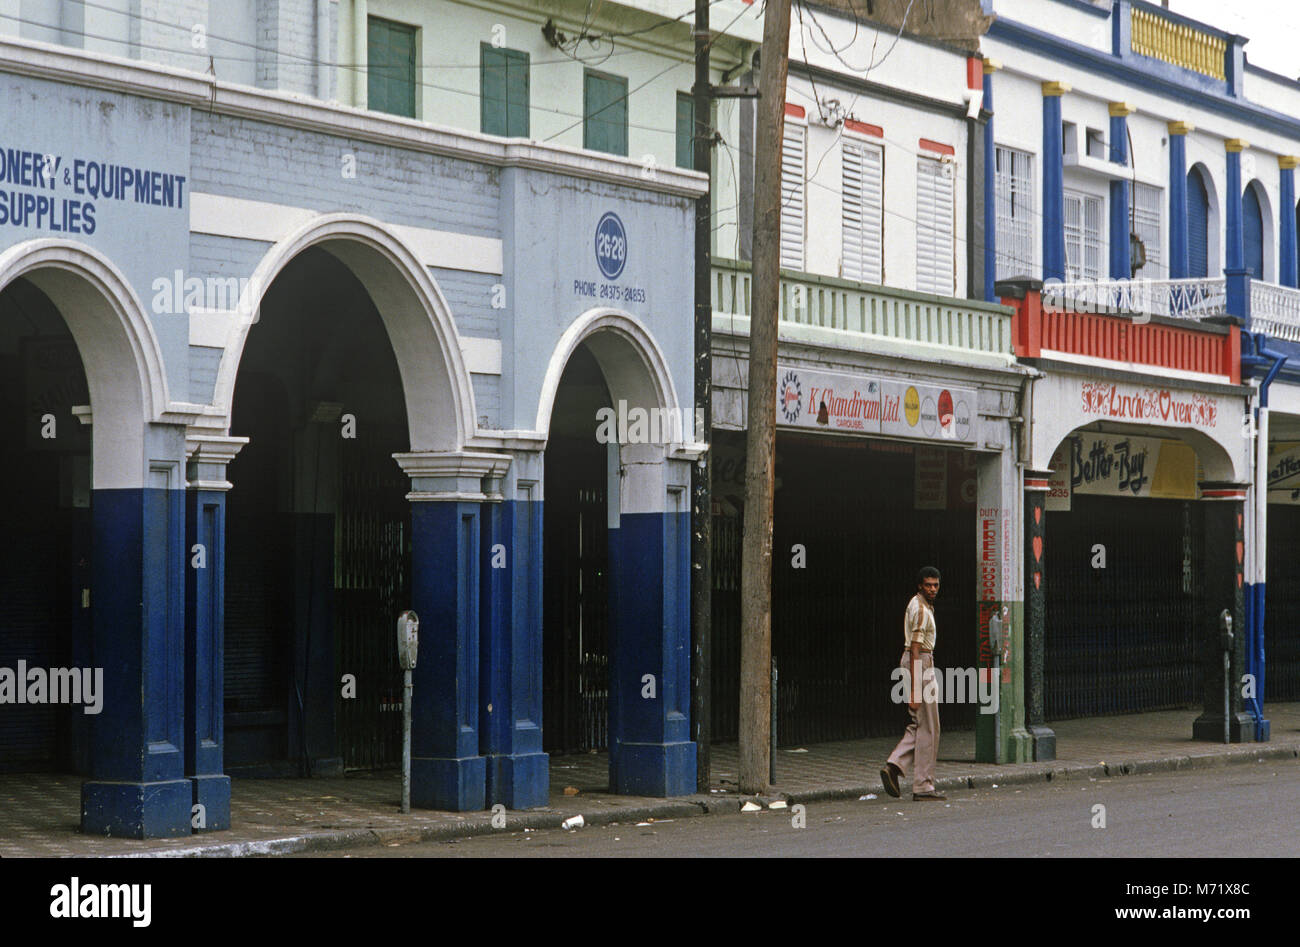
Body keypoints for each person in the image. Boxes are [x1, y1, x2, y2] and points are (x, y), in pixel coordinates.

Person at [881, 566, 946, 801]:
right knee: (930, 727)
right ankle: (923, 786)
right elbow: (916, 648)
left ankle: (895, 765)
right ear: (920, 585)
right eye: (928, 585)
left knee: (919, 724)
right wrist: (916, 689)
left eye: (935, 585)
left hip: (917, 661)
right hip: (920, 661)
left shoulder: (921, 605)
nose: (932, 589)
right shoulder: (919, 608)